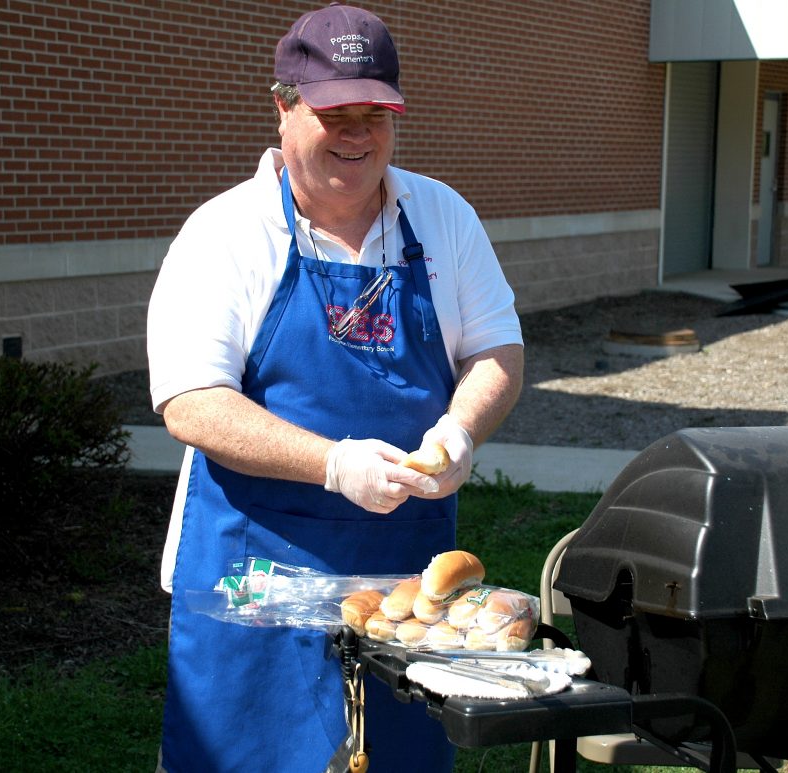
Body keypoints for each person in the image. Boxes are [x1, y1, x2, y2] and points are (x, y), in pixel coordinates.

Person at [146, 3, 524, 771]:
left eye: (375, 114)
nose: (357, 135)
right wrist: (333, 462)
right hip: (254, 581)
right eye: (334, 113)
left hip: (403, 586)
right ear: (283, 106)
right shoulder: (227, 233)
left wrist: (459, 431)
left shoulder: (443, 218)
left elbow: (497, 350)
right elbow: (190, 400)